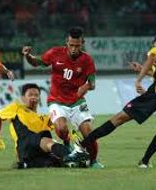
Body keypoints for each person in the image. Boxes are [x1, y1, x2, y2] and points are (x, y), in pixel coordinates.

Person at [80, 32, 156, 168]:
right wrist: (142, 69)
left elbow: (151, 59)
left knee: (119, 118)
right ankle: (145, 161)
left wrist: (138, 80)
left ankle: (82, 145)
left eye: (154, 44)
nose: (153, 47)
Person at [0, 83, 90, 169]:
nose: (34, 97)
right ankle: (74, 156)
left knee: (56, 162)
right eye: (30, 95)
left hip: (32, 154)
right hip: (25, 143)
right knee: (48, 141)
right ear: (23, 97)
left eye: (36, 95)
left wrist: (70, 139)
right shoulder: (16, 108)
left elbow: (63, 131)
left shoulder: (45, 118)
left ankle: (26, 164)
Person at [21, 26, 103, 168]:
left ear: (82, 43)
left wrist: (86, 87)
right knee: (61, 128)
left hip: (77, 101)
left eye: (77, 46)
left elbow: (93, 83)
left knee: (89, 132)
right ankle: (67, 144)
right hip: (57, 100)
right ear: (67, 42)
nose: (73, 49)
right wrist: (28, 56)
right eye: (71, 45)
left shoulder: (87, 60)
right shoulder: (55, 53)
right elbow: (37, 62)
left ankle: (94, 161)